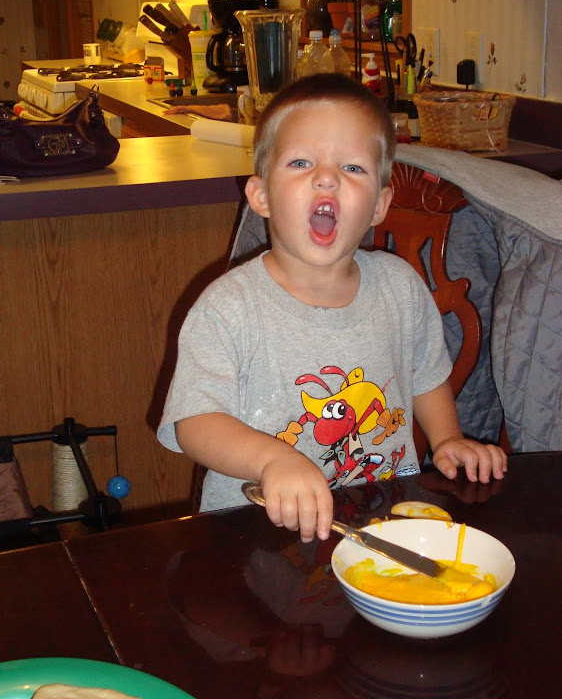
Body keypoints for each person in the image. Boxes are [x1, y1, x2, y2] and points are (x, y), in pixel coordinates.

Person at [158, 73, 507, 544]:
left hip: (380, 526)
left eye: (353, 168)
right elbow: (194, 422)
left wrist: (448, 441)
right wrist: (273, 460)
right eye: (301, 162)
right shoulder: (228, 308)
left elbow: (427, 376)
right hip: (256, 539)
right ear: (260, 195)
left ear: (380, 205)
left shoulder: (402, 288)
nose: (326, 177)